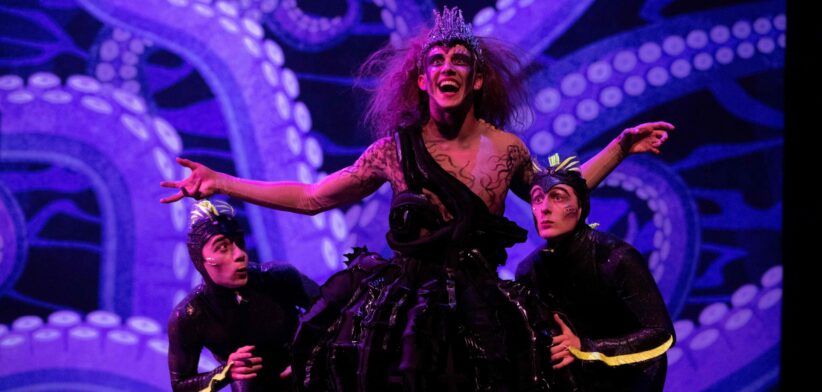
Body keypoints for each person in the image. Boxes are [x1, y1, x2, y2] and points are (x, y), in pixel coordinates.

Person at [160, 7, 673, 391]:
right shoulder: (393, 150)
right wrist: (223, 182)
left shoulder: (508, 149)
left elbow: (561, 195)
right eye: (437, 61)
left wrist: (620, 148)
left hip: (479, 301)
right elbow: (314, 197)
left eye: (459, 60)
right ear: (423, 80)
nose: (447, 68)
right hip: (402, 308)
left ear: (476, 79)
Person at [516, 155, 676, 392]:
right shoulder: (529, 270)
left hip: (633, 376)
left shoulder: (615, 257)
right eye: (537, 199)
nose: (545, 209)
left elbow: (660, 334)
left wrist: (586, 346)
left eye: (557, 197)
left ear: (580, 208)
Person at [167, 200, 318, 392]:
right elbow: (180, 386)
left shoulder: (278, 277)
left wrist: (310, 354)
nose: (240, 255)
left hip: (313, 373)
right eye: (223, 247)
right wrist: (225, 373)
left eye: (239, 242)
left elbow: (337, 313)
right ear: (200, 261)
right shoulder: (191, 315)